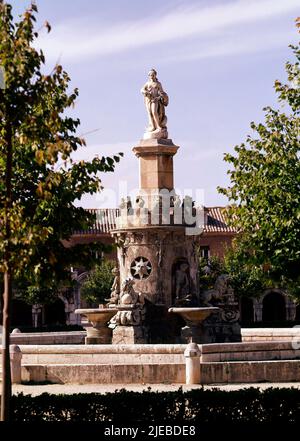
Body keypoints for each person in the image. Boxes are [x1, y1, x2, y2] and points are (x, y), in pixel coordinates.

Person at [141, 69, 168, 134]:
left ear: (155, 75)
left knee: (154, 112)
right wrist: (145, 91)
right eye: (150, 75)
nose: (151, 76)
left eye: (153, 75)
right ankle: (153, 126)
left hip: (155, 100)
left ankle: (158, 126)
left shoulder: (158, 84)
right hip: (149, 100)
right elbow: (142, 89)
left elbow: (162, 93)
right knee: (150, 113)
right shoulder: (147, 83)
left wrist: (158, 98)